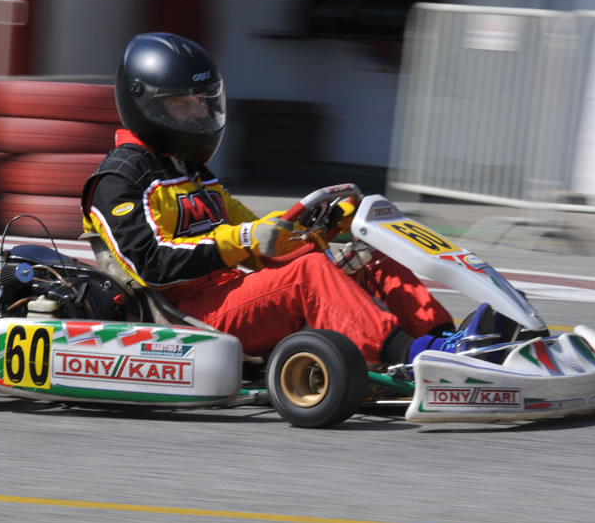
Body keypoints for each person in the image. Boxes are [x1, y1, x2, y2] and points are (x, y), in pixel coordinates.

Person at [81, 32, 477, 366]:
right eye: (184, 105)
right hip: (184, 317)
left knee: (367, 254)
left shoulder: (188, 169)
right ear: (145, 105)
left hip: (232, 291)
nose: (200, 114)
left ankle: (445, 340)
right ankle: (413, 357)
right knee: (307, 275)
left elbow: (252, 230)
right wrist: (247, 240)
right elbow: (152, 264)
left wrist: (319, 227)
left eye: (203, 101)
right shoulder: (119, 180)